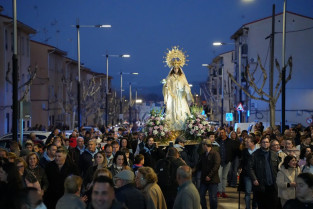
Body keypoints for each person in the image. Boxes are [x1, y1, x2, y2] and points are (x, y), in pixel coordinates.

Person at [162, 49, 193, 131]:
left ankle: (183, 126)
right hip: (172, 97)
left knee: (182, 111)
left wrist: (186, 88)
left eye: (177, 68)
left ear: (179, 68)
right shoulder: (170, 77)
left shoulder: (182, 77)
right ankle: (171, 126)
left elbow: (186, 84)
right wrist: (166, 88)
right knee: (172, 111)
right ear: (172, 69)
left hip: (180, 96)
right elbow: (166, 85)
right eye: (174, 68)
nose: (176, 69)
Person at [249, 136, 280, 209]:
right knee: (262, 204)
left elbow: (279, 168)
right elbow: (250, 168)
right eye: (263, 142)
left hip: (273, 184)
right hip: (261, 184)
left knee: (273, 204)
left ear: (269, 144)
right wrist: (254, 179)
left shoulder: (274, 154)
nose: (265, 144)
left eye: (267, 142)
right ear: (260, 144)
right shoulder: (255, 155)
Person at [197, 138, 221, 209]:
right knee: (201, 195)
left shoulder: (215, 154)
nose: (202, 147)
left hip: (213, 179)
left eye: (202, 145)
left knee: (213, 197)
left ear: (205, 145)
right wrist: (191, 171)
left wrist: (209, 175)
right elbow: (199, 165)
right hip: (204, 179)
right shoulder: (203, 154)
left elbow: (216, 165)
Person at [238, 135, 258, 209]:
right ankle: (247, 207)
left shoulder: (257, 151)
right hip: (247, 174)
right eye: (245, 141)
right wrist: (240, 167)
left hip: (256, 175)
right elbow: (242, 161)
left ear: (253, 143)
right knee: (248, 192)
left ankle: (254, 206)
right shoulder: (244, 151)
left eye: (247, 142)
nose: (245, 143)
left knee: (256, 193)